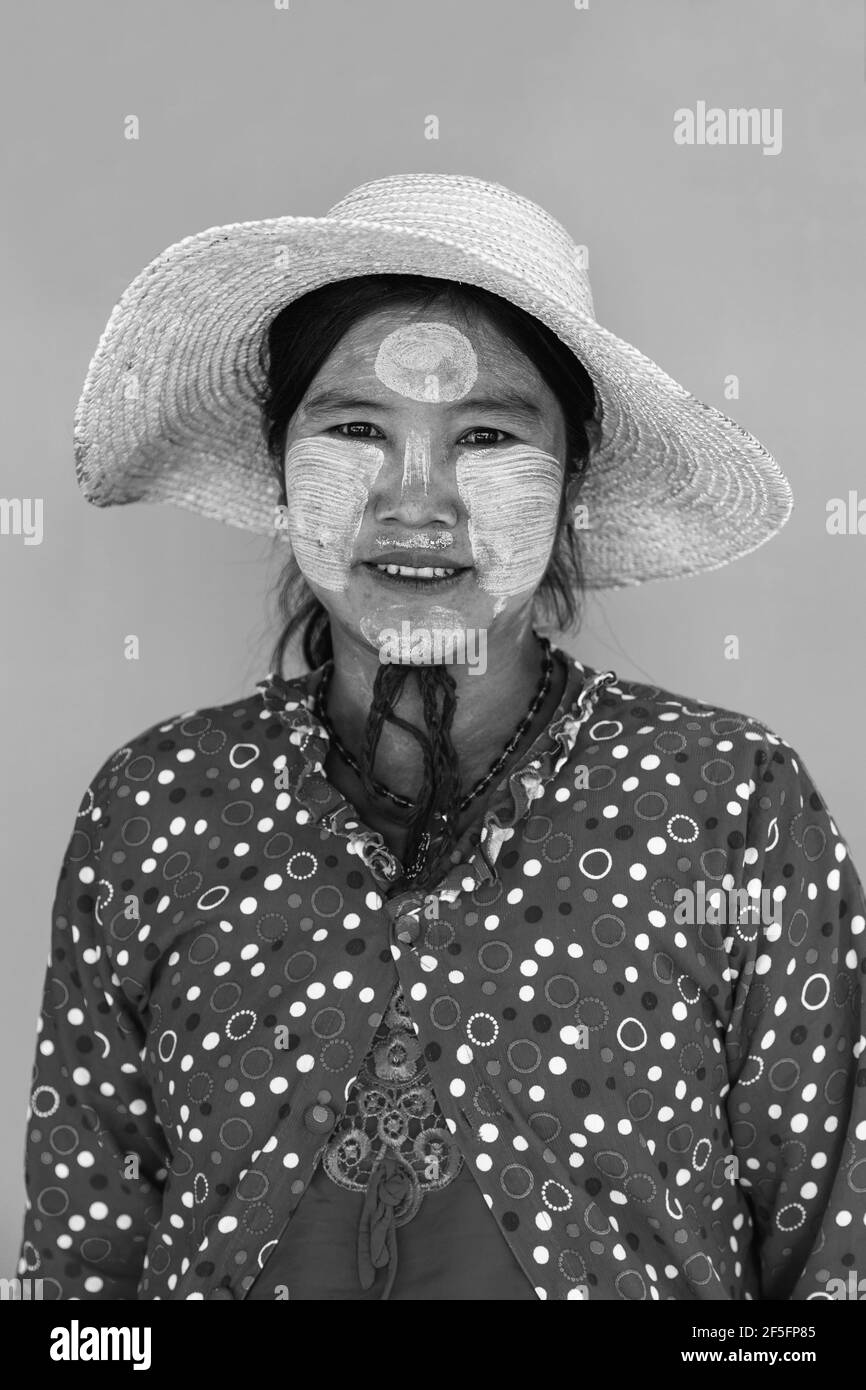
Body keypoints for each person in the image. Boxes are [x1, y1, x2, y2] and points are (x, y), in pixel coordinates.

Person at [17, 174, 866, 1301]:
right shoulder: (156, 806)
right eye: (356, 428)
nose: (417, 501)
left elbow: (835, 1257)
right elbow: (80, 1287)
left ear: (572, 478)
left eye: (486, 436)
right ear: (279, 464)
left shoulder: (727, 806)